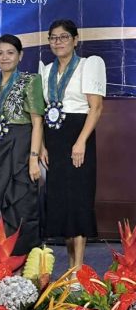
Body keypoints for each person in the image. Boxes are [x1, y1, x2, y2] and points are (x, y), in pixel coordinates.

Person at [39, 19, 105, 271]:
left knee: (78, 201)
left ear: (75, 40)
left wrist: (80, 142)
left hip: (78, 137)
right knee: (61, 203)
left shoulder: (89, 65)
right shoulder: (46, 71)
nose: (58, 42)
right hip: (54, 140)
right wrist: (43, 145)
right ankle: (70, 267)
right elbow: (44, 111)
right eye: (53, 37)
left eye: (64, 37)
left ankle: (78, 269)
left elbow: (96, 108)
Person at [0, 34, 44, 256]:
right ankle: (1, 259)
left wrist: (33, 158)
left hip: (20, 148)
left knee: (21, 203)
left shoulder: (30, 81)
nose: (4, 57)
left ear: (20, 55)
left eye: (10, 53)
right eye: (0, 53)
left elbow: (38, 122)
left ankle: (23, 259)